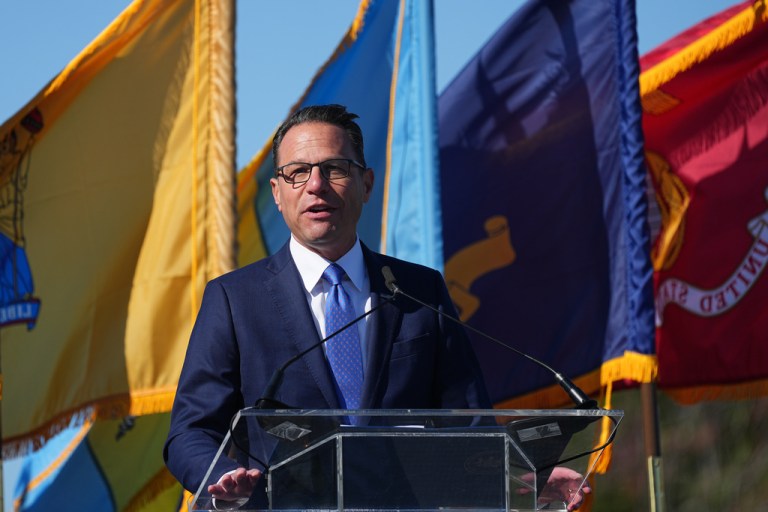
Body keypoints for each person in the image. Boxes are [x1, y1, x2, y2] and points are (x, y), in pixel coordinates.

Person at [163, 104, 588, 510]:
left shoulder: (419, 291)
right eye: (297, 173)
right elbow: (191, 431)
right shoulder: (234, 299)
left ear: (366, 184)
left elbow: (467, 428)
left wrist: (516, 478)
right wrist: (222, 477)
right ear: (277, 192)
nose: (316, 185)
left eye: (334, 169)